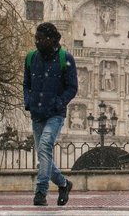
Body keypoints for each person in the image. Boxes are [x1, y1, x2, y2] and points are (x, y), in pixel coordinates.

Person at [23, 22, 78, 206]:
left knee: (45, 145)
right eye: (36, 38)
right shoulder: (31, 58)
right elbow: (26, 84)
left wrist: (59, 102)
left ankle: (40, 192)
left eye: (41, 39)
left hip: (55, 114)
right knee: (43, 154)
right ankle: (63, 184)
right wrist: (28, 101)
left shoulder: (66, 58)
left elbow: (72, 87)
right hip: (37, 113)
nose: (37, 42)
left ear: (52, 39)